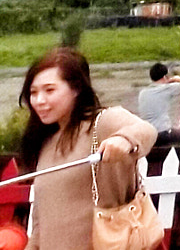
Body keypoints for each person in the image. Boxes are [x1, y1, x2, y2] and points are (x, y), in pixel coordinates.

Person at [19, 48, 156, 250]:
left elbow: (147, 130)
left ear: (76, 88)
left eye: (49, 90)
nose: (39, 100)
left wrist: (124, 140)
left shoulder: (102, 123)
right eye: (33, 92)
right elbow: (41, 221)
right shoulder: (45, 142)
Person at [137, 62, 180, 142]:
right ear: (164, 77)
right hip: (163, 131)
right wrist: (176, 78)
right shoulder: (167, 88)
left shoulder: (143, 92)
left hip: (148, 133)